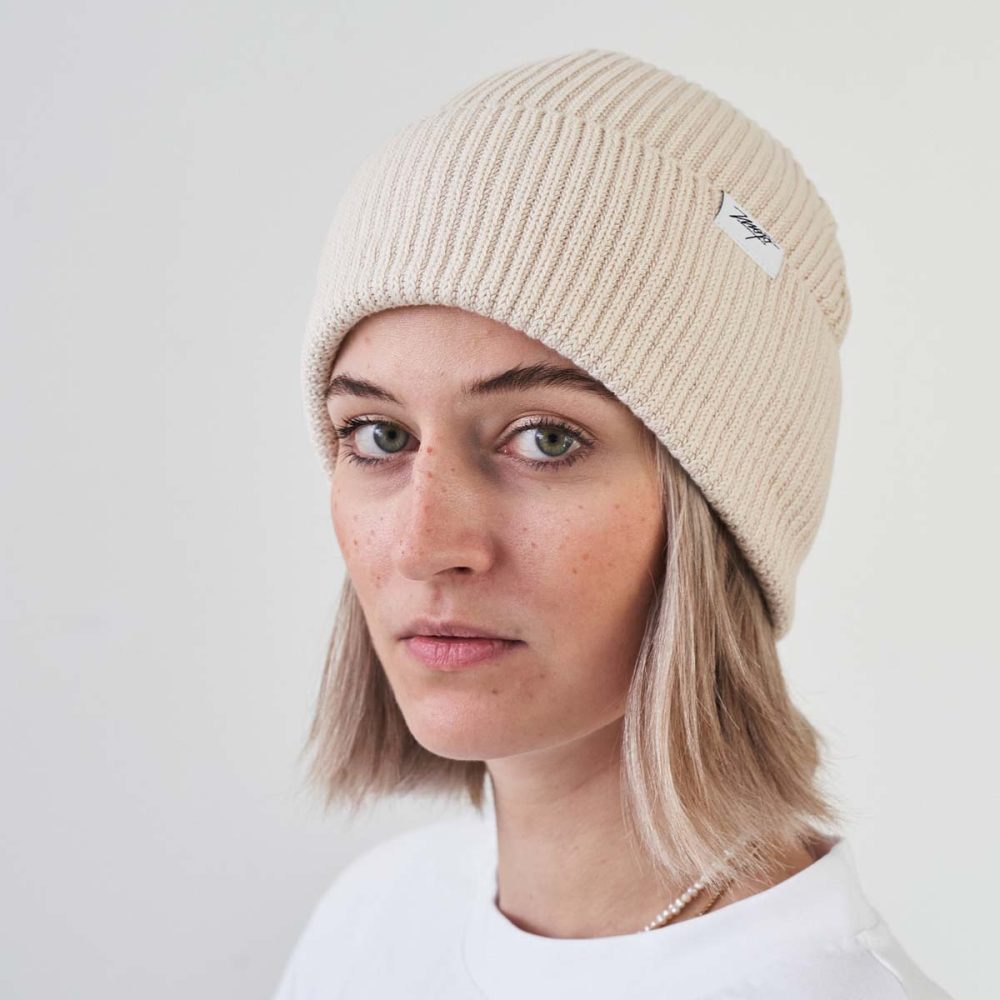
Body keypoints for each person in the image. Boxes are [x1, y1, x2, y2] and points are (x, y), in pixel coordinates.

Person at [273, 49, 953, 999]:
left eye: (545, 439)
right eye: (378, 435)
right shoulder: (373, 919)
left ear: (723, 509)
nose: (424, 545)